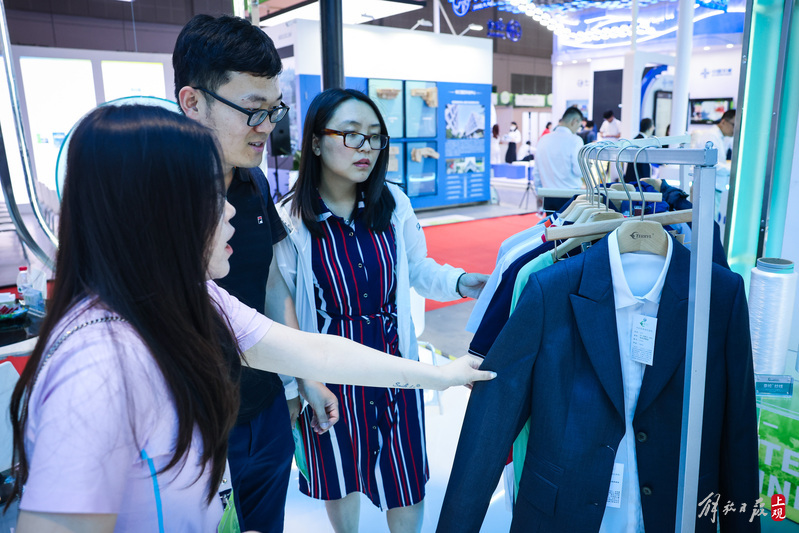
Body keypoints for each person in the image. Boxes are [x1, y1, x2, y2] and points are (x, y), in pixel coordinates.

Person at [8, 104, 494, 533]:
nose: (230, 213)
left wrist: (441, 375)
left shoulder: (194, 299)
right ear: (155, 211)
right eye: (209, 194)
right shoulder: (95, 370)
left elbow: (316, 352)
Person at [274, 88, 490, 533]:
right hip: (330, 374)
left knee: (405, 477)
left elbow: (418, 268)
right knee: (340, 475)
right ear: (316, 142)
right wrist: (300, 381)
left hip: (396, 366)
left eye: (375, 137)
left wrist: (461, 281)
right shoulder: (290, 219)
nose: (366, 148)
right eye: (352, 135)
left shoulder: (393, 203)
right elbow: (283, 303)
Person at [172, 15, 336, 532]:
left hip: (263, 407)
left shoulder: (254, 182)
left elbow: (270, 282)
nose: (267, 127)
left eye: (275, 110)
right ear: (192, 101)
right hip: (190, 422)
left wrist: (303, 377)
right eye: (252, 111)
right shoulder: (155, 194)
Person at [532, 107, 585, 212]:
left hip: (548, 195)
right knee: (568, 223)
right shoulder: (575, 140)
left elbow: (536, 172)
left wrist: (539, 193)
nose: (578, 129)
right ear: (574, 121)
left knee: (551, 222)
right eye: (579, 126)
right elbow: (578, 171)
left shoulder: (543, 139)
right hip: (569, 196)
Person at [623, 117, 656, 183]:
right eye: (653, 126)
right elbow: (642, 164)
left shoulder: (636, 139)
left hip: (632, 177)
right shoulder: (643, 141)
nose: (654, 128)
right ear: (649, 128)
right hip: (638, 179)